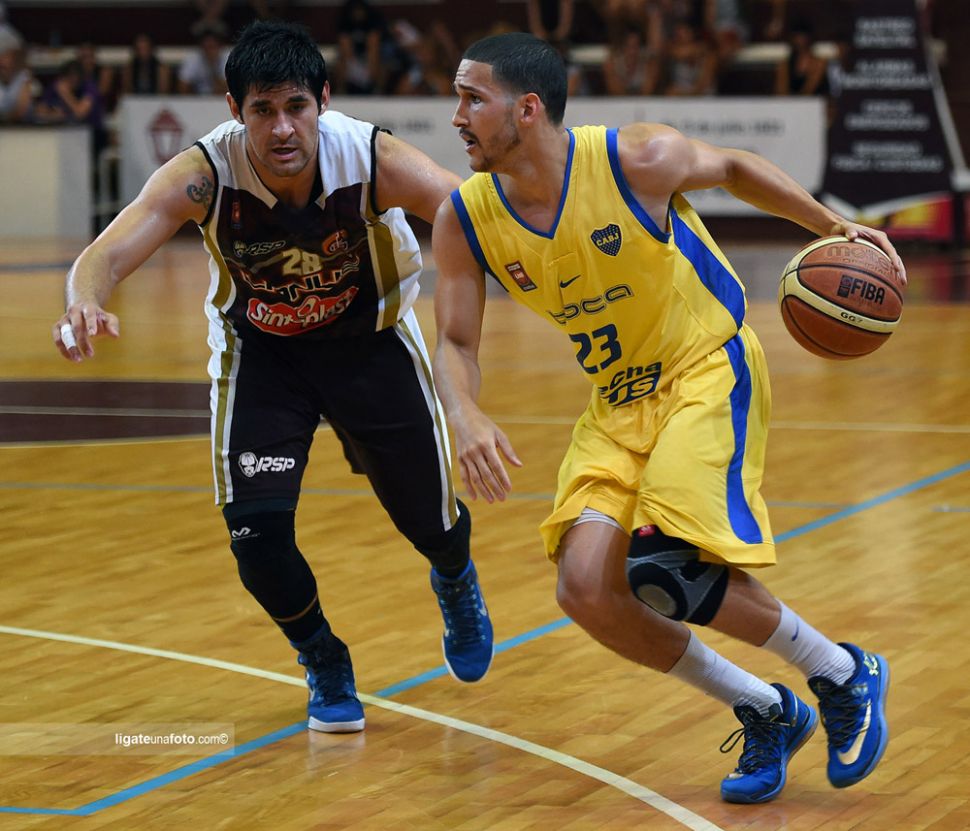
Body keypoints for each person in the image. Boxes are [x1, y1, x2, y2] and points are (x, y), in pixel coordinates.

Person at [432, 32, 902, 804]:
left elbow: (735, 167)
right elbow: (455, 341)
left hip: (705, 370)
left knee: (661, 566)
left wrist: (830, 226)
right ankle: (765, 707)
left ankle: (842, 671)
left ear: (527, 108)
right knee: (585, 589)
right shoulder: (466, 218)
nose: (457, 116)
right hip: (617, 402)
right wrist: (465, 411)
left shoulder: (635, 159)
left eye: (471, 98)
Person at [52, 20, 493, 734]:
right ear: (235, 109)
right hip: (264, 355)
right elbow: (110, 248)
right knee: (256, 540)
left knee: (430, 520)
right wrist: (84, 299)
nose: (282, 128)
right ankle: (322, 656)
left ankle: (454, 576)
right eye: (262, 110)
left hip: (370, 343)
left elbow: (465, 211)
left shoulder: (369, 156)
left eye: (295, 106)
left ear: (323, 100)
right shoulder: (205, 173)